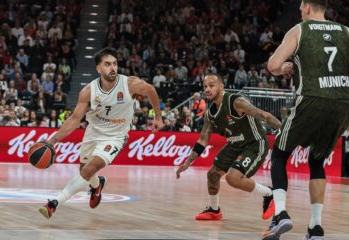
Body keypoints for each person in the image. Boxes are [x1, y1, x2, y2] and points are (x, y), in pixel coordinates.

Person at [37, 48, 164, 219]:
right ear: (98, 68)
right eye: (107, 64)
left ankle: (54, 203)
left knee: (90, 168)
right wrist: (53, 140)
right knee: (84, 169)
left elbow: (151, 90)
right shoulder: (88, 91)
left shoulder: (129, 84)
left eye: (115, 64)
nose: (112, 68)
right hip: (93, 131)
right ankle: (97, 186)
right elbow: (75, 119)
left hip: (116, 137)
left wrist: (158, 117)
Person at [262, 1, 349, 239]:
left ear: (309, 7)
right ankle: (316, 226)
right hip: (343, 103)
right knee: (317, 160)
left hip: (312, 98)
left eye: (301, 5)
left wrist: (284, 69)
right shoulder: (345, 32)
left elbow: (272, 65)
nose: (300, 10)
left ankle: (280, 213)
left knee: (279, 154)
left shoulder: (300, 29)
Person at [176, 74, 281, 221]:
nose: (207, 89)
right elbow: (203, 140)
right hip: (234, 144)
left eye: (211, 85)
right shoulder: (210, 114)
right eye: (205, 86)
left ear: (221, 86)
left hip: (255, 143)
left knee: (233, 178)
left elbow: (266, 116)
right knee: (212, 175)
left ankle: (270, 194)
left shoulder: (236, 102)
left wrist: (286, 131)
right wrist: (188, 162)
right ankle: (214, 210)